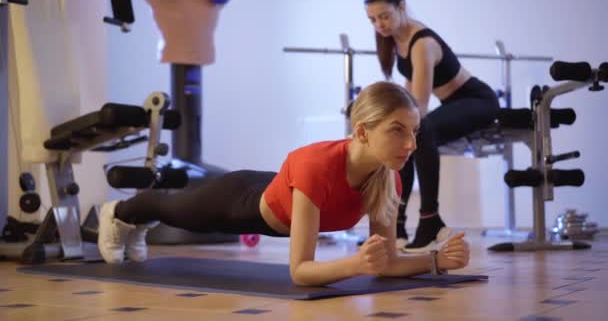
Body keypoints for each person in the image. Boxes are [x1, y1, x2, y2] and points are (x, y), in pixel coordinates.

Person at [98, 81, 470, 287]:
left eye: (414, 132)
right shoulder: (317, 166)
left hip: (279, 190)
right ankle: (119, 213)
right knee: (173, 210)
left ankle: (133, 221)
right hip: (239, 200)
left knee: (175, 210)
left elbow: (386, 262)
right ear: (362, 131)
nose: (412, 144)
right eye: (397, 131)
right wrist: (356, 263)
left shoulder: (387, 179)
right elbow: (301, 272)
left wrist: (436, 260)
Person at [364, 0, 500, 252]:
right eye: (373, 19)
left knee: (420, 130)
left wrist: (400, 126)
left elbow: (419, 108)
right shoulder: (396, 42)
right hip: (454, 103)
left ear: (401, 7)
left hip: (479, 101)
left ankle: (430, 221)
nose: (380, 25)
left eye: (385, 16)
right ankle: (398, 224)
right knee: (403, 135)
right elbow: (407, 96)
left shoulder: (421, 43)